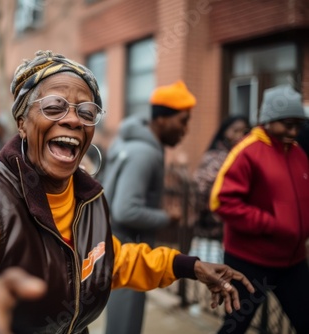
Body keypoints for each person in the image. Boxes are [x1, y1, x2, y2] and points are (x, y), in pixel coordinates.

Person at [0, 50, 254, 334]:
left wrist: (189, 266)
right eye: (53, 107)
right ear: (21, 121)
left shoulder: (89, 197)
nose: (73, 119)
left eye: (86, 110)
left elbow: (111, 260)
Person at [211, 85, 309, 334]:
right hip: (250, 261)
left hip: (293, 260)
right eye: (287, 124)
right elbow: (221, 202)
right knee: (235, 326)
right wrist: (272, 224)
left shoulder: (298, 153)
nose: (294, 131)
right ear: (269, 119)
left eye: (298, 125)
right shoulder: (247, 151)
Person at [103, 80, 196, 334]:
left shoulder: (128, 142)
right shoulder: (145, 153)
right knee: (125, 327)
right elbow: (126, 209)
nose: (185, 130)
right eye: (182, 121)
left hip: (116, 247)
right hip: (130, 253)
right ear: (162, 120)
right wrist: (166, 217)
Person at [189, 116, 249, 264]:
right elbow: (201, 191)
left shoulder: (245, 158)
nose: (239, 135)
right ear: (224, 132)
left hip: (238, 236)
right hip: (211, 235)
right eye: (235, 130)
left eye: (244, 131)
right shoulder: (215, 158)